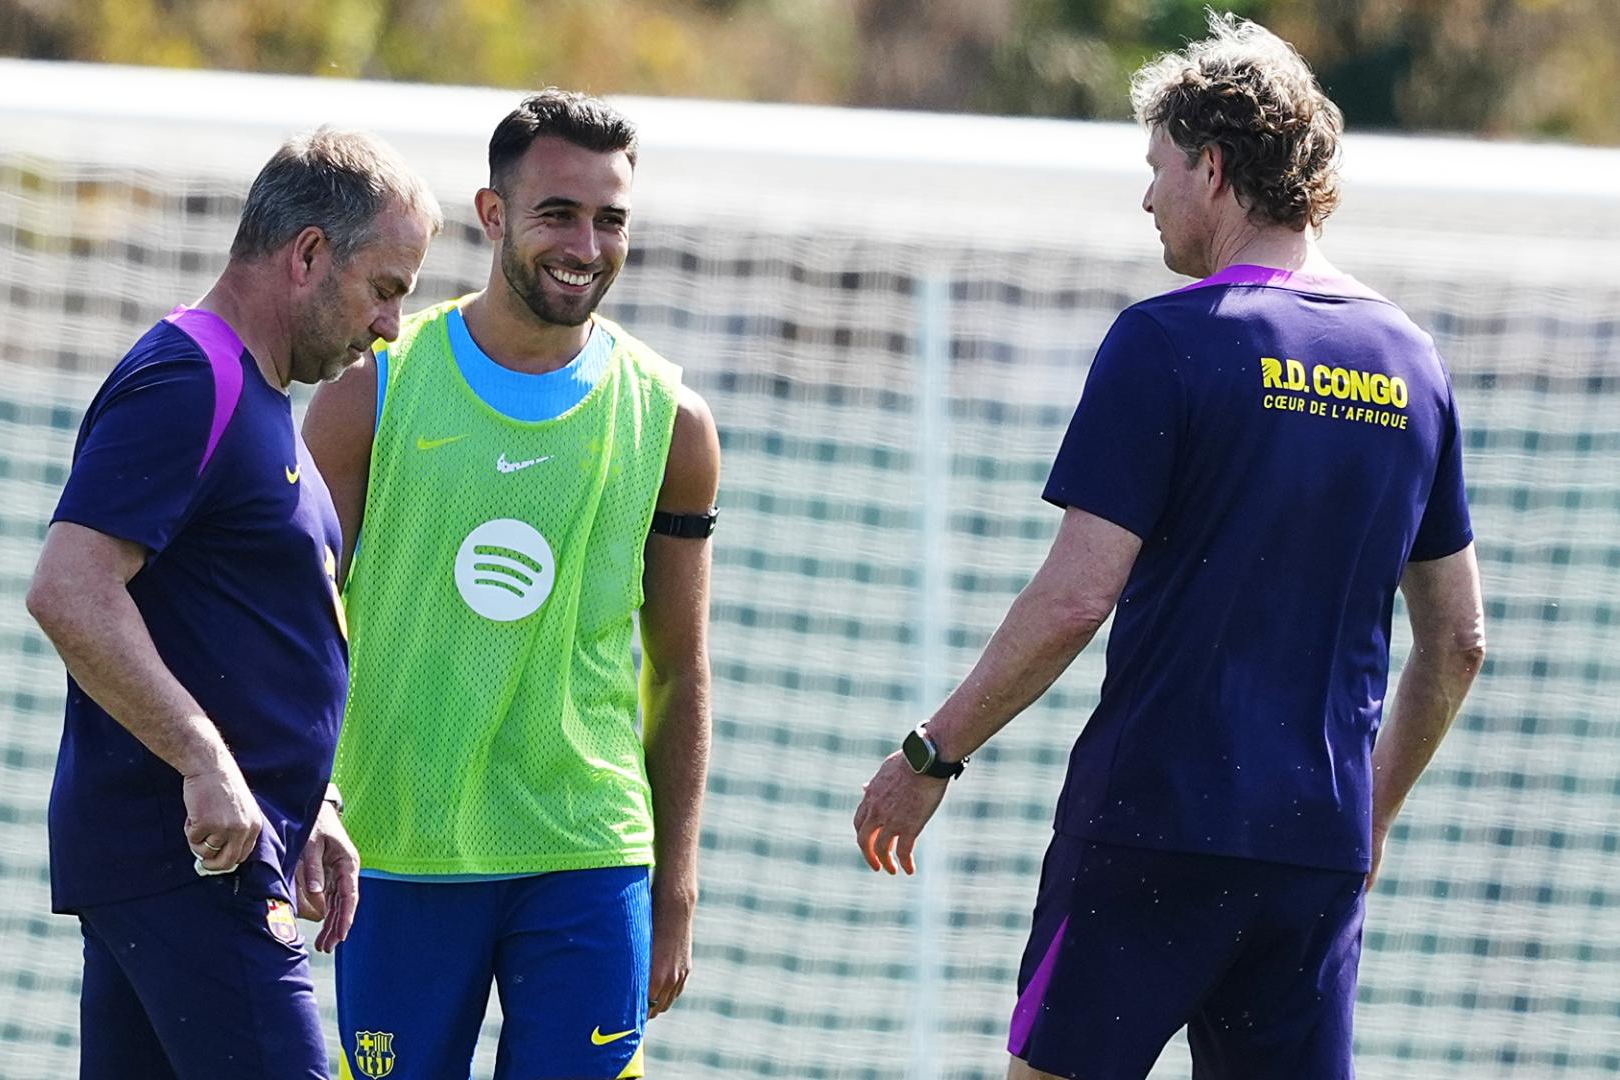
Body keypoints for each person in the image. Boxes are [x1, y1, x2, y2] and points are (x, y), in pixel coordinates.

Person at [853, 15, 1486, 1080]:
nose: (1147, 197)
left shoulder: (1169, 339)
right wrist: (1360, 822)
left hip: (1151, 829)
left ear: (1213, 165)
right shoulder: (1411, 362)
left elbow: (1073, 600)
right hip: (1315, 848)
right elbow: (1458, 640)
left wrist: (933, 751)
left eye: (1155, 168)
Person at [303, 89, 719, 1080]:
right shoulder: (374, 391)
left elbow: (680, 668)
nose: (586, 243)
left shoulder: (672, 422)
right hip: (400, 848)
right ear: (493, 216)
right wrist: (304, 798)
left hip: (586, 849)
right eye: (557, 214)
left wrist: (676, 883)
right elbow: (295, 625)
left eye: (609, 218)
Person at [26, 127, 442, 1080]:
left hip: (192, 858)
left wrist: (314, 801)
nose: (388, 327)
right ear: (306, 255)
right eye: (386, 289)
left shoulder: (253, 397)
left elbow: (243, 627)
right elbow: (68, 587)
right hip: (193, 865)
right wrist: (207, 761)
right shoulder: (189, 380)